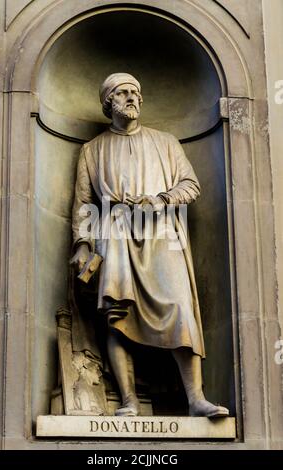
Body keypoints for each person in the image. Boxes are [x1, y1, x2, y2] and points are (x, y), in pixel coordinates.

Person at [70, 73, 229, 418]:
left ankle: (195, 399)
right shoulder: (92, 150)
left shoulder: (166, 142)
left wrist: (160, 200)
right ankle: (129, 401)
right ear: (108, 103)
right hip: (116, 233)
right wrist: (82, 243)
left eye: (135, 93)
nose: (131, 98)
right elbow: (84, 202)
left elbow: (191, 185)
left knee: (179, 306)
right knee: (117, 313)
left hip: (162, 233)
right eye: (122, 93)